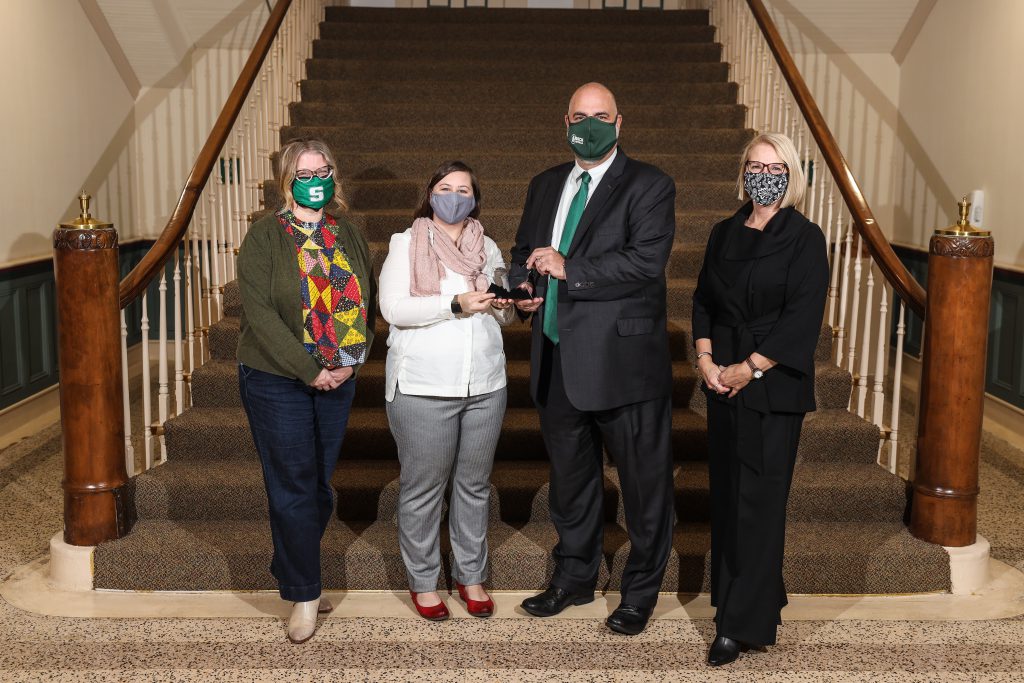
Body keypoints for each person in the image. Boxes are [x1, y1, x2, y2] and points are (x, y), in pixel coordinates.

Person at [509, 83, 677, 636]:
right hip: (557, 355)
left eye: (600, 116)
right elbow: (523, 255)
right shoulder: (545, 184)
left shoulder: (649, 184)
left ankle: (640, 593)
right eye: (580, 116)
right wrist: (524, 287)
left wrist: (568, 268)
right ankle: (574, 579)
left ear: (619, 122)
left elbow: (645, 262)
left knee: (643, 485)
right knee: (571, 484)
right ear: (565, 120)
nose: (589, 125)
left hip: (624, 363)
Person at [691, 132, 829, 665]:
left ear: (790, 174)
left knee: (761, 506)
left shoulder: (805, 237)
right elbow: (704, 300)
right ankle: (749, 595)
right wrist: (707, 363)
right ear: (743, 171)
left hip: (772, 388)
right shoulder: (724, 232)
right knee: (728, 499)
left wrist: (750, 368)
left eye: (774, 167)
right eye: (754, 165)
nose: (763, 174)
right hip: (722, 385)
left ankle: (739, 626)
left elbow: (802, 317)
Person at [236, 138, 376, 644]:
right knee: (293, 484)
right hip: (276, 378)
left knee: (315, 487)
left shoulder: (349, 235)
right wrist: (307, 368)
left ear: (333, 177)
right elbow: (260, 315)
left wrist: (349, 364)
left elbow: (365, 302)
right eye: (303, 172)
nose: (314, 179)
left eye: (322, 170)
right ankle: (305, 593)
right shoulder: (264, 237)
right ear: (286, 181)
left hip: (338, 377)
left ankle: (291, 558)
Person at [378, 161, 515, 621]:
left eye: (463, 190)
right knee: (423, 488)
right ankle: (423, 580)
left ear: (475, 200)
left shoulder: (487, 245)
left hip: (485, 384)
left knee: (474, 486)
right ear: (430, 193)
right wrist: (454, 303)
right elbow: (393, 308)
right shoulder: (406, 242)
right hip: (422, 387)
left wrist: (514, 304)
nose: (454, 196)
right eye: (445, 187)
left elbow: (503, 313)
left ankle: (470, 575)